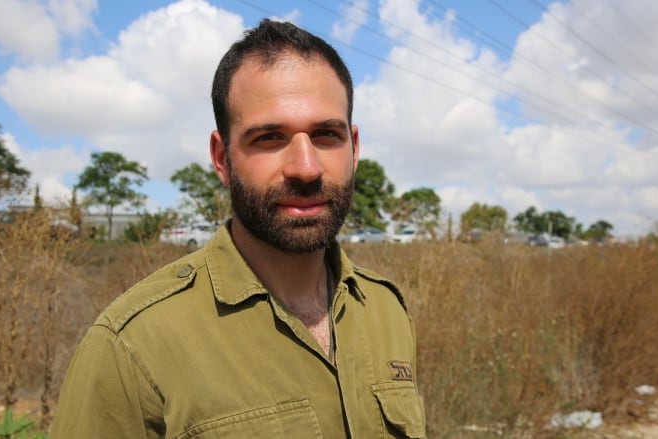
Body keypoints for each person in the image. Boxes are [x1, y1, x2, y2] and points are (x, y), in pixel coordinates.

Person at [50, 19, 425, 438]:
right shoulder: (131, 347)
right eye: (268, 137)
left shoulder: (386, 310)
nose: (306, 167)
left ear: (354, 148)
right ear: (221, 157)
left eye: (326, 134)